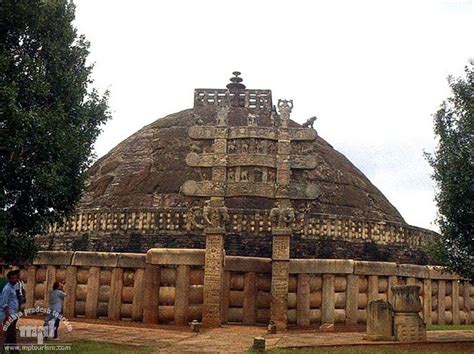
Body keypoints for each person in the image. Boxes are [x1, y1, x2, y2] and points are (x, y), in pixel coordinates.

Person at [0, 271, 20, 353]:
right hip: (9, 315)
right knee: (10, 335)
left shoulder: (13, 287)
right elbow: (4, 304)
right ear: (9, 279)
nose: (14, 280)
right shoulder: (7, 288)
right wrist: (8, 316)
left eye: (16, 278)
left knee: (10, 335)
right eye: (12, 278)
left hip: (14, 314)